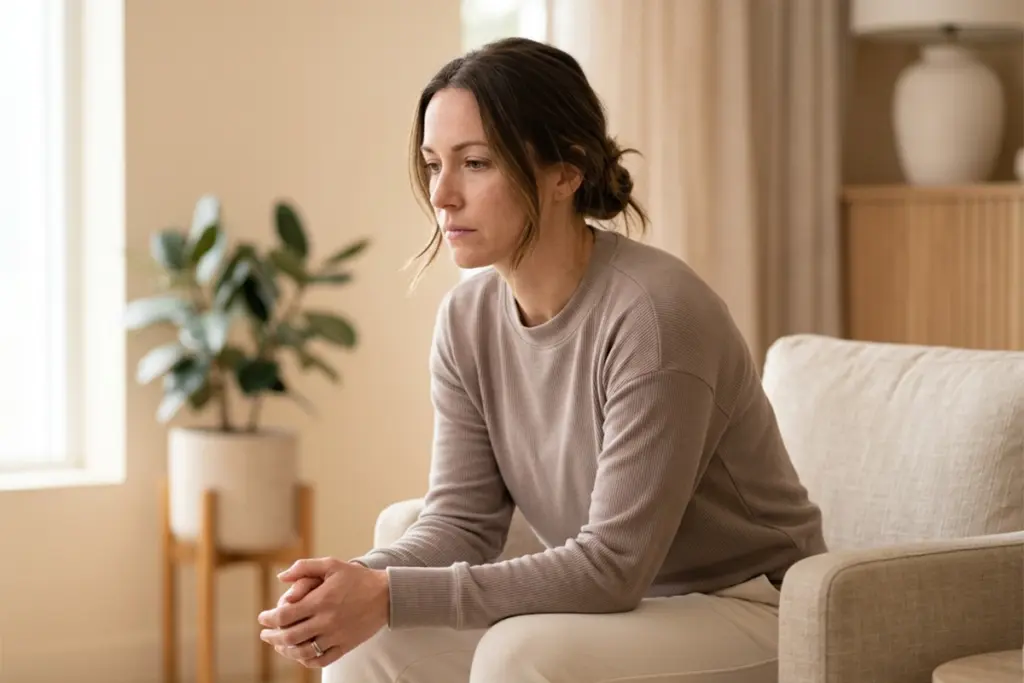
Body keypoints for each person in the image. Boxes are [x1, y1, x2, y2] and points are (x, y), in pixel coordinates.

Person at [257, 36, 827, 683]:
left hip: (754, 605)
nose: (443, 195)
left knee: (516, 655)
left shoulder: (657, 315)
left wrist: (391, 594)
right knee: (369, 644)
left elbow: (612, 564)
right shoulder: (466, 321)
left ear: (566, 170)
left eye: (475, 163)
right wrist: (355, 584)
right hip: (630, 604)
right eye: (432, 163)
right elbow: (462, 519)